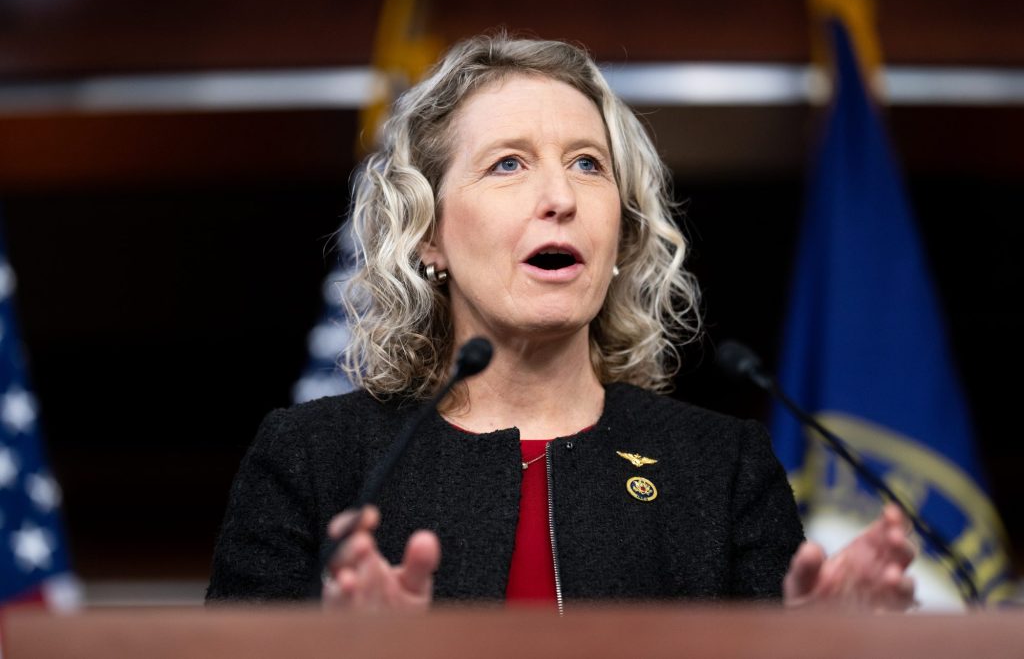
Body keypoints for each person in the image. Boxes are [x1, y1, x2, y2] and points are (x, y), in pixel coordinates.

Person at [206, 34, 915, 612]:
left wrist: (818, 645)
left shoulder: (722, 467)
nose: (560, 197)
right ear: (429, 235)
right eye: (507, 164)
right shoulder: (313, 457)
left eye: (587, 164)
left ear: (622, 229)